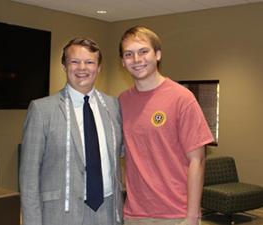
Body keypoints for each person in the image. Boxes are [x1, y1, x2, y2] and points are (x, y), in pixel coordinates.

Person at [20, 38, 123, 225]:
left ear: (98, 68)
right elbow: (29, 178)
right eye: (74, 61)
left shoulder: (113, 106)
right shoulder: (42, 110)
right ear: (64, 66)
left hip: (107, 212)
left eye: (90, 62)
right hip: (61, 215)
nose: (82, 68)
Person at [118, 26, 214, 225]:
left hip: (175, 215)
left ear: (158, 55)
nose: (136, 60)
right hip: (134, 214)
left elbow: (198, 161)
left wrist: (192, 216)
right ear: (123, 62)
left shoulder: (182, 98)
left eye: (143, 51)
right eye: (129, 54)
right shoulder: (121, 102)